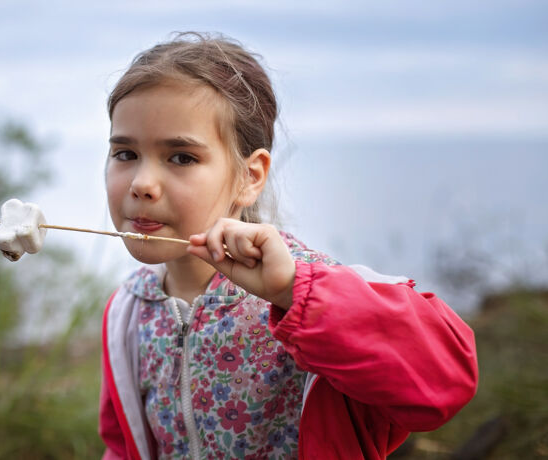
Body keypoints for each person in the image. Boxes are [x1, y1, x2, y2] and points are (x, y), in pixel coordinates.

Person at [98, 32, 478, 460]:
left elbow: (446, 382)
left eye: (182, 157)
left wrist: (293, 292)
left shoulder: (311, 294)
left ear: (250, 177)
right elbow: (123, 446)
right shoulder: (129, 312)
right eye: (125, 153)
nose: (141, 184)